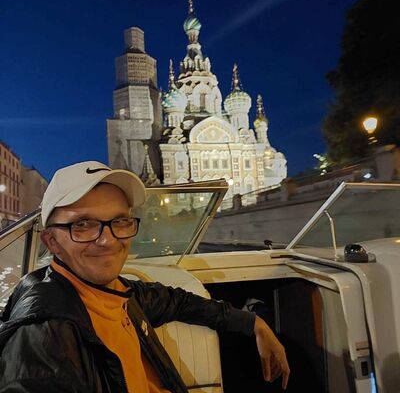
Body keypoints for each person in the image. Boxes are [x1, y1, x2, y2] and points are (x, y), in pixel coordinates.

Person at [0, 160, 290, 392]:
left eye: (119, 221)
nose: (108, 240)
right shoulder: (43, 336)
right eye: (83, 225)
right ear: (52, 242)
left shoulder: (114, 291)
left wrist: (253, 323)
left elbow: (176, 301)